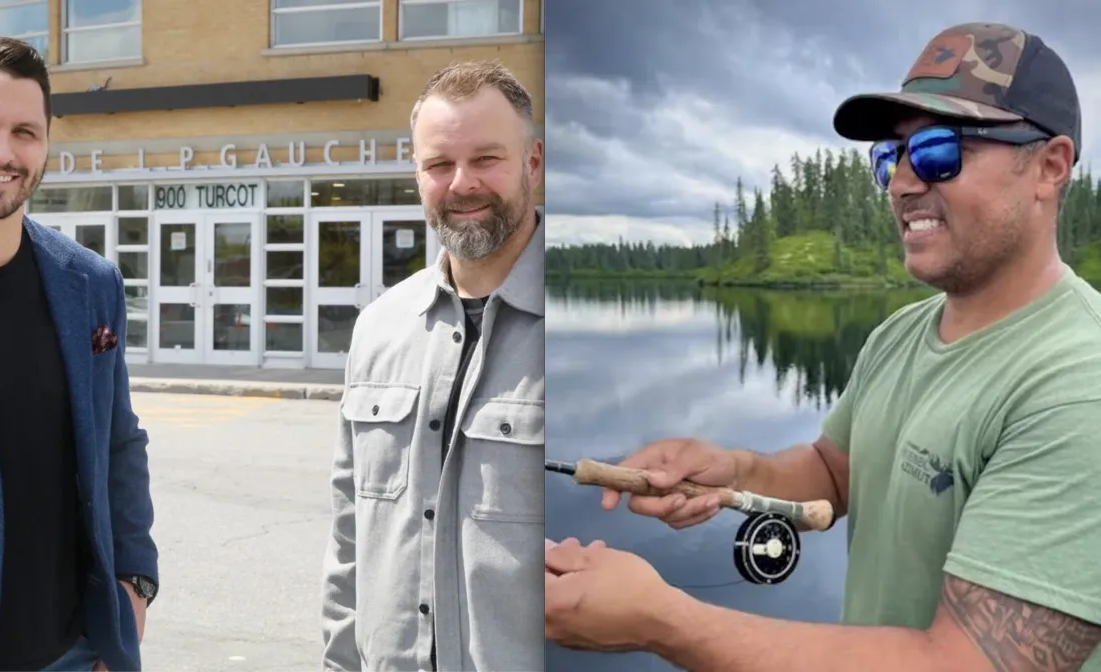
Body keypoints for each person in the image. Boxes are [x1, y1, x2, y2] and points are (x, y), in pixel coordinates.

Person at [545, 22, 1101, 671]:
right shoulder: (899, 336)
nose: (901, 184)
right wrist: (734, 471)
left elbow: (970, 663)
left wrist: (661, 619)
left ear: (1050, 167)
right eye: (890, 158)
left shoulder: (1078, 383)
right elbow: (837, 473)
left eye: (938, 153)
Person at [0, 37, 157, 671]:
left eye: (25, 132)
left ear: (45, 146)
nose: (2, 152)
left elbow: (118, 441)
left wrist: (134, 585)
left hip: (73, 652)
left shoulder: (91, 282)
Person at [320, 60, 545, 671]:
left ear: (532, 163)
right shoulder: (379, 328)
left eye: (486, 159)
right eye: (439, 164)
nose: (462, 183)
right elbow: (350, 534)